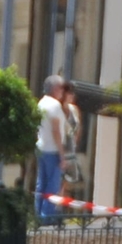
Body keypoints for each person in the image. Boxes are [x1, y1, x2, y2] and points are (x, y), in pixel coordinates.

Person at [35, 75, 78, 221]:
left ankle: (37, 215)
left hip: (41, 148)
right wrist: (62, 154)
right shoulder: (54, 105)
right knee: (52, 187)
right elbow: (56, 131)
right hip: (52, 151)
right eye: (61, 88)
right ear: (55, 88)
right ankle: (47, 218)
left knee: (41, 184)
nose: (63, 92)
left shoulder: (41, 103)